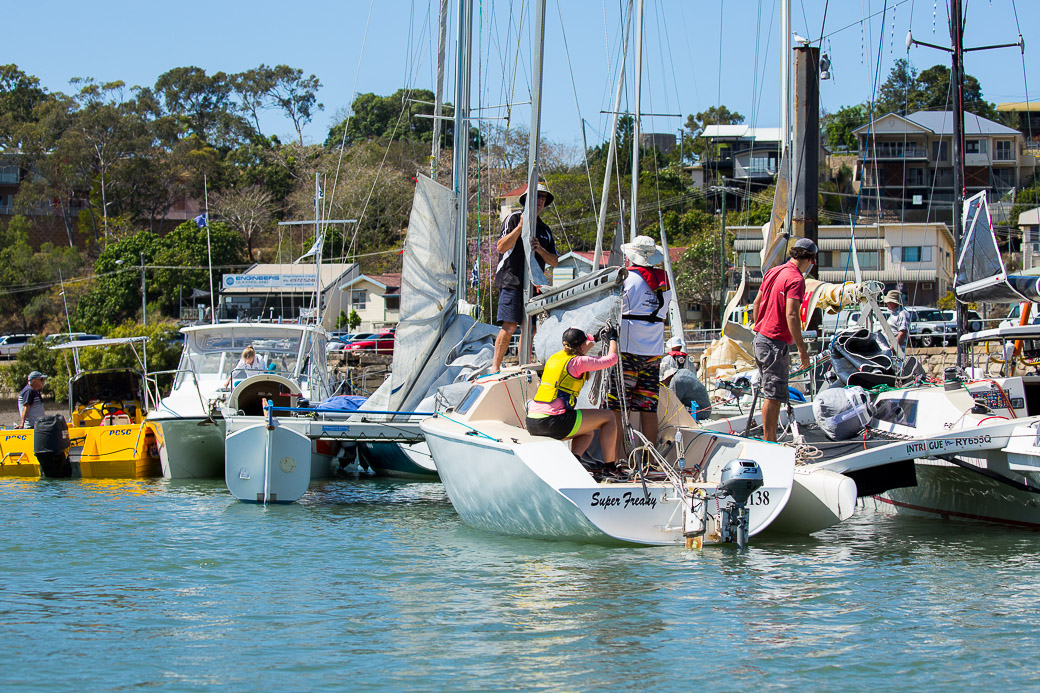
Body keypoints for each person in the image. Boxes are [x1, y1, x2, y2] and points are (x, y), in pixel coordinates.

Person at [607, 235, 672, 456]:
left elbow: (615, 310)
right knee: (647, 407)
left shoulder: (627, 279)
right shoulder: (665, 283)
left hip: (627, 350)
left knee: (616, 406)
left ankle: (615, 458)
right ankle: (650, 459)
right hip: (653, 352)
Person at [751, 237, 817, 442]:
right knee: (773, 395)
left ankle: (768, 439)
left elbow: (756, 303)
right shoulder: (796, 279)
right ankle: (769, 442)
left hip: (761, 338)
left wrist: (759, 327)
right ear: (811, 260)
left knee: (770, 392)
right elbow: (792, 315)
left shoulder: (774, 271)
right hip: (774, 343)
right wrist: (802, 350)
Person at [526, 325, 620, 466]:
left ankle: (574, 463)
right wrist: (613, 338)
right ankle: (611, 467)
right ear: (582, 345)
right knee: (609, 417)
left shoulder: (555, 358)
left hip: (532, 422)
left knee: (587, 432)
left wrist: (596, 338)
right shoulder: (579, 362)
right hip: (553, 422)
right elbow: (612, 359)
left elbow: (579, 350)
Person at [492, 182, 559, 371]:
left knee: (530, 328)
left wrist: (541, 250)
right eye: (536, 196)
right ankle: (495, 367)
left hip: (534, 283)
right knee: (510, 325)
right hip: (511, 279)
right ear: (527, 199)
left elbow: (554, 261)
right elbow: (501, 246)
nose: (539, 201)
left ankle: (523, 366)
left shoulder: (545, 229)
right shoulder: (513, 218)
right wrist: (521, 227)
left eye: (543, 198)